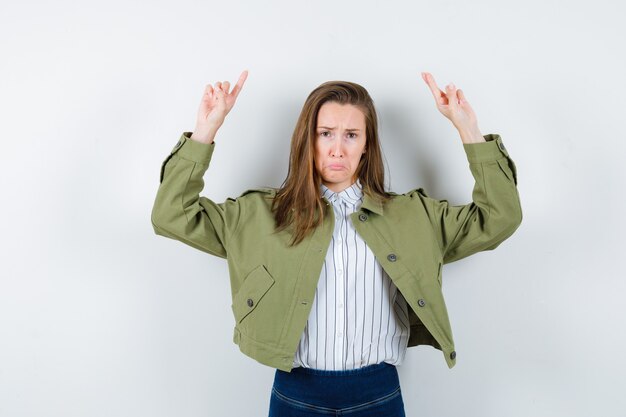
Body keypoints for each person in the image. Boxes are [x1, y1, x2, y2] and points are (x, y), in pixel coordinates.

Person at [151, 70, 522, 416]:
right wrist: (206, 130)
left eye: (351, 135)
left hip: (379, 395)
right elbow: (171, 214)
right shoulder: (259, 215)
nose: (337, 149)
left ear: (366, 145)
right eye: (325, 133)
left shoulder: (412, 216)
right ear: (307, 140)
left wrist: (468, 129)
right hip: (295, 395)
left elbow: (498, 217)